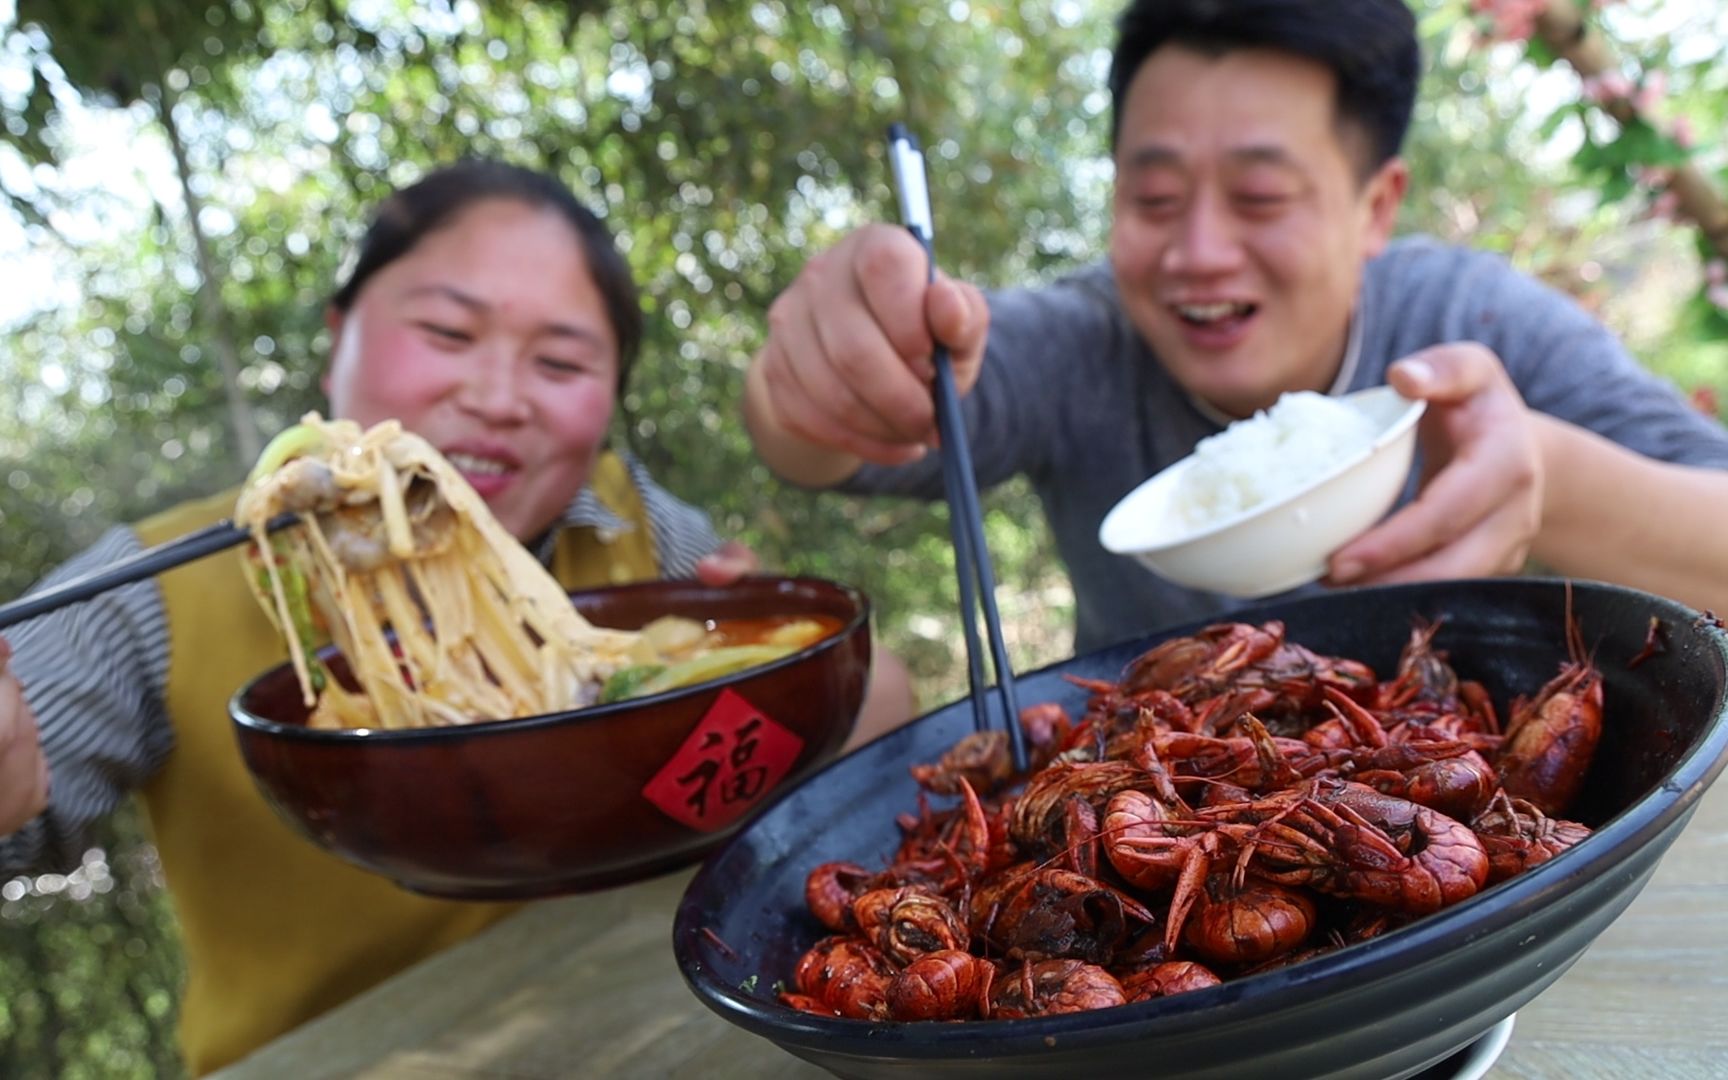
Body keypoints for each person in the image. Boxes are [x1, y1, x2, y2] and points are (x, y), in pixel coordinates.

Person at [0, 159, 912, 1074]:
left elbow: (876, 715)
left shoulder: (640, 531)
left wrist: (786, 679)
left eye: (558, 361)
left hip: (660, 1028)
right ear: (337, 339)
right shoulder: (149, 590)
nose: (498, 396)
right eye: (447, 331)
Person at [743, 0, 1728, 654]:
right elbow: (817, 443)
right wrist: (819, 369)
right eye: (1155, 197)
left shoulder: (1470, 317)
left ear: (1376, 206)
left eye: (1260, 196)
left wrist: (1549, 482)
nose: (1199, 252)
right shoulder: (1082, 341)